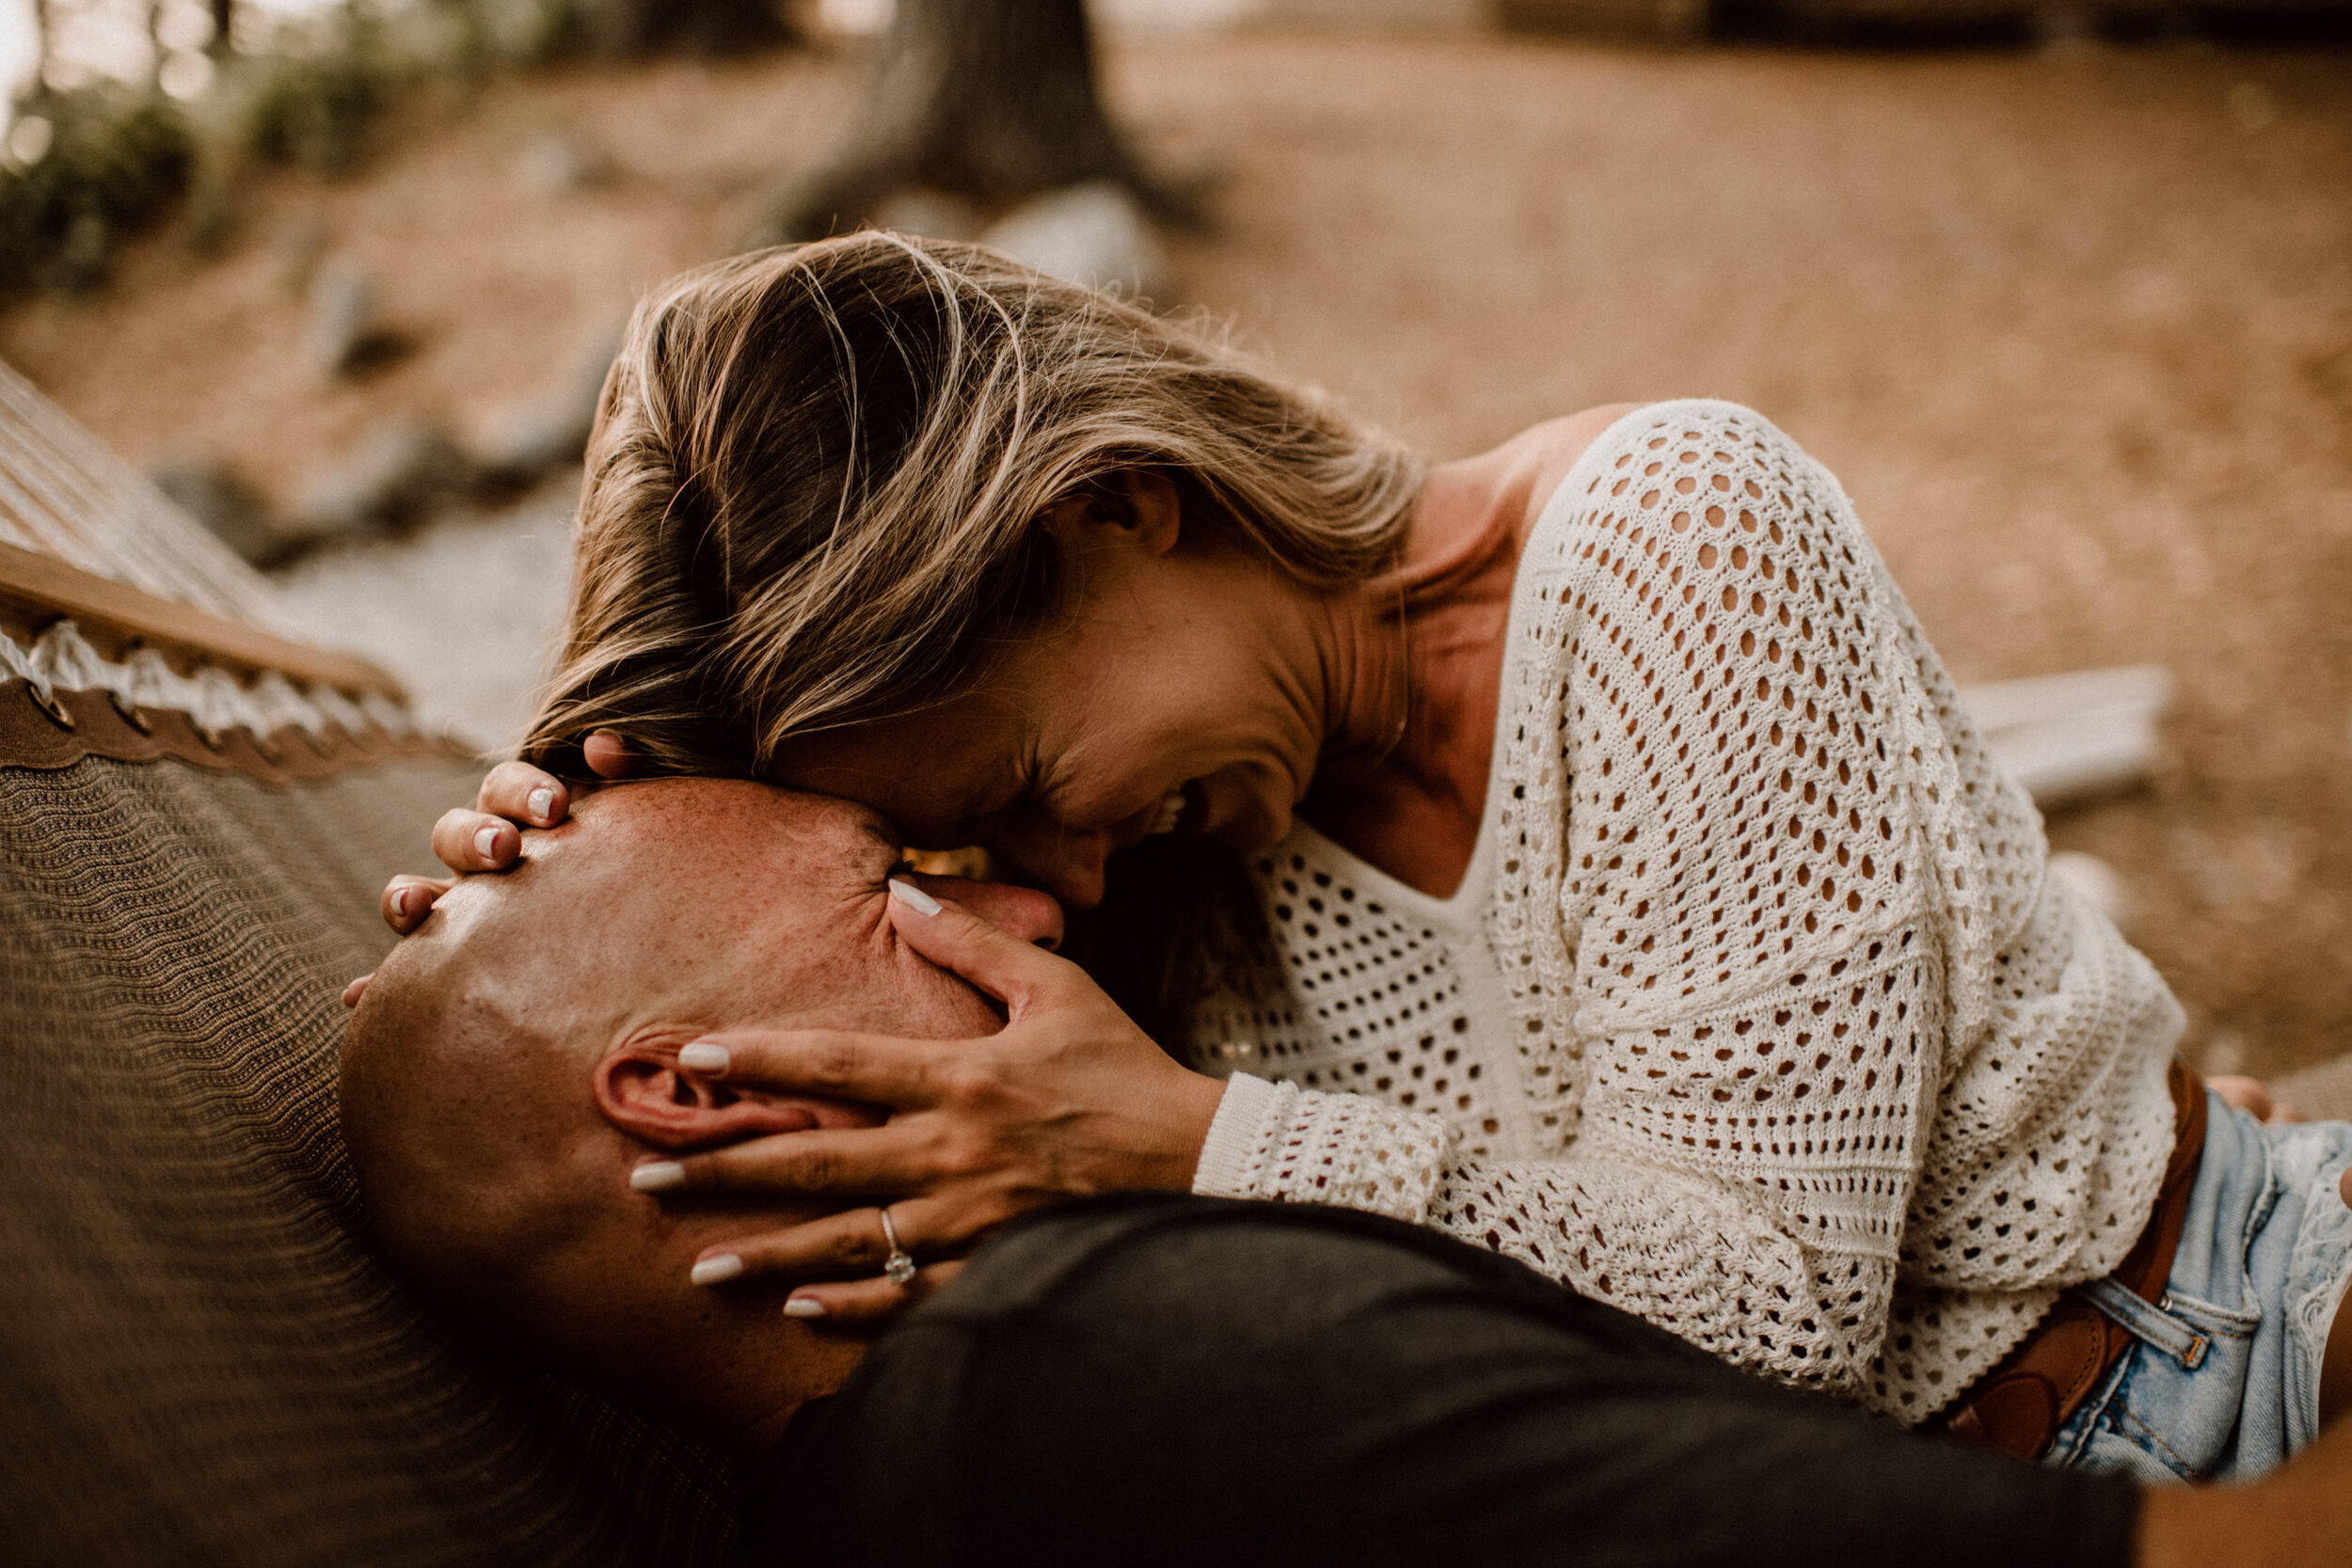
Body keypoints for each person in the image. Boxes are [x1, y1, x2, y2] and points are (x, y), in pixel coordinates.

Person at [390, 233, 2352, 1479]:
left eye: (1020, 775)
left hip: (2223, 1345)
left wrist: (1185, 1139)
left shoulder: (1671, 538)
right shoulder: (1135, 899)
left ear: (1121, 507)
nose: (1050, 879)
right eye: (960, 838)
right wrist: (551, 875)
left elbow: (1785, 1329)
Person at [341, 777, 2352, 1568]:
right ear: (698, 1097)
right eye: (898, 892)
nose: (1035, 906)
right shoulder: (1130, 1375)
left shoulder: (908, 1482)